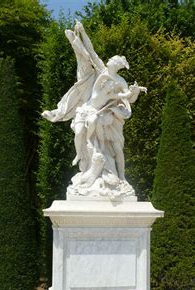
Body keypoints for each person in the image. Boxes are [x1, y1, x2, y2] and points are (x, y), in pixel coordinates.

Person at [42, 21, 146, 194]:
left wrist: (135, 92)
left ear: (117, 65)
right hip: (87, 109)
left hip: (103, 115)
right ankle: (82, 155)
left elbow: (129, 99)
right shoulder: (102, 71)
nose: (110, 59)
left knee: (98, 134)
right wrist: (82, 32)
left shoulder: (120, 82)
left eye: (113, 60)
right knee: (80, 132)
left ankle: (118, 176)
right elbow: (90, 51)